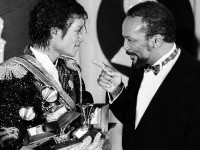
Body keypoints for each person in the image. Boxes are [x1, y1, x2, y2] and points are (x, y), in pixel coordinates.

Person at [92, 1, 200, 150]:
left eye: (131, 40)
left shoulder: (195, 77)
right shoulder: (140, 63)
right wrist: (116, 90)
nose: (124, 46)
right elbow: (135, 119)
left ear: (156, 40)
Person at [0, 0, 107, 149]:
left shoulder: (72, 70)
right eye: (78, 30)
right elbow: (7, 143)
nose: (81, 38)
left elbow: (84, 125)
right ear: (54, 32)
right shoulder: (11, 74)